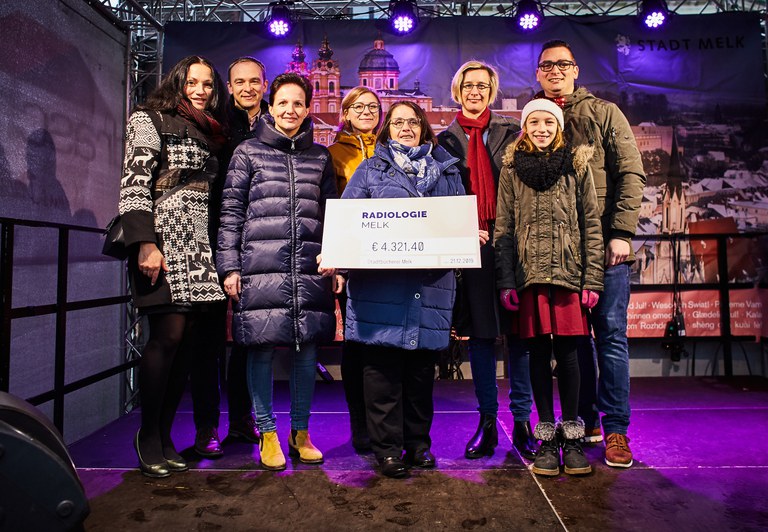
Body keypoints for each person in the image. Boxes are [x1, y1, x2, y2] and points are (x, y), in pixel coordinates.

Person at [336, 101, 467, 479]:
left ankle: (418, 445)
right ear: (387, 129)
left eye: (413, 122)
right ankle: (388, 450)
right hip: (382, 290)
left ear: (424, 128)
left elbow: (457, 218)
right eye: (398, 123)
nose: (406, 128)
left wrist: (466, 235)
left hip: (429, 288)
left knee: (421, 375)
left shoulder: (447, 171)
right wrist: (339, 260)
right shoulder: (370, 170)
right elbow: (349, 222)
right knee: (382, 375)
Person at [217, 73, 340, 471]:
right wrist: (230, 266)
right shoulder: (247, 152)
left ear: (307, 109)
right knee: (262, 350)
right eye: (282, 103)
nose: (290, 110)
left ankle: (300, 432)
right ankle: (268, 432)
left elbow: (332, 216)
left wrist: (336, 258)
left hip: (309, 266)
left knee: (306, 353)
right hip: (259, 267)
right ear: (271, 107)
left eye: (298, 104)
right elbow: (231, 213)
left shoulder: (321, 157)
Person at [534, 39, 646, 468]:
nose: (556, 70)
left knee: (611, 339)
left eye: (563, 64)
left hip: (606, 252)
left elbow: (631, 173)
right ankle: (585, 421)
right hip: (561, 255)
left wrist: (621, 231)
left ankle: (616, 429)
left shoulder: (604, 113)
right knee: (573, 344)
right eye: (547, 66)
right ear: (539, 74)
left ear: (576, 70)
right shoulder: (538, 121)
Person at [118, 56, 228, 477]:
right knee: (167, 337)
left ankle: (164, 436)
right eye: (193, 82)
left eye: (207, 85)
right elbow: (134, 184)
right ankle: (147, 435)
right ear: (177, 82)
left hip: (197, 245)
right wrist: (145, 243)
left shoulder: (206, 130)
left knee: (185, 347)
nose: (201, 90)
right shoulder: (148, 118)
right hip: (162, 241)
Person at [494, 98, 603, 476]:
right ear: (525, 127)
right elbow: (504, 228)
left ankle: (572, 435)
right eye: (534, 122)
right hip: (529, 276)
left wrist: (592, 279)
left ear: (558, 126)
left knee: (570, 355)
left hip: (569, 274)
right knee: (538, 355)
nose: (542, 128)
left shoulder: (576, 164)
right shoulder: (511, 168)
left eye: (548, 122)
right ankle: (546, 437)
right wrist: (507, 279)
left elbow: (590, 223)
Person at [437, 61, 537, 460]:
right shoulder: (443, 141)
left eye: (482, 85)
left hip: (514, 245)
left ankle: (523, 422)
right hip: (472, 246)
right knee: (480, 339)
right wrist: (463, 232)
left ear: (492, 91)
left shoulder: (513, 134)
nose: (475, 91)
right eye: (468, 85)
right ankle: (487, 422)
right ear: (456, 91)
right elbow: (442, 198)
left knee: (521, 337)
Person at [189, 57, 270, 458]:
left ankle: (243, 420)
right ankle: (207, 427)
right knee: (206, 339)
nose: (247, 88)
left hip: (258, 243)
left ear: (265, 84)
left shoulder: (277, 122)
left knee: (247, 340)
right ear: (229, 85)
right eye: (239, 81)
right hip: (211, 238)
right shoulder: (214, 125)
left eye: (254, 81)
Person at [327, 86, 382, 452]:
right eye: (358, 106)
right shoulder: (332, 154)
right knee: (357, 346)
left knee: (384, 345)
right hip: (353, 259)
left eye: (373, 106)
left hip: (390, 259)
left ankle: (383, 423)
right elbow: (330, 208)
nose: (366, 111)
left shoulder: (393, 148)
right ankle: (359, 423)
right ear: (345, 112)